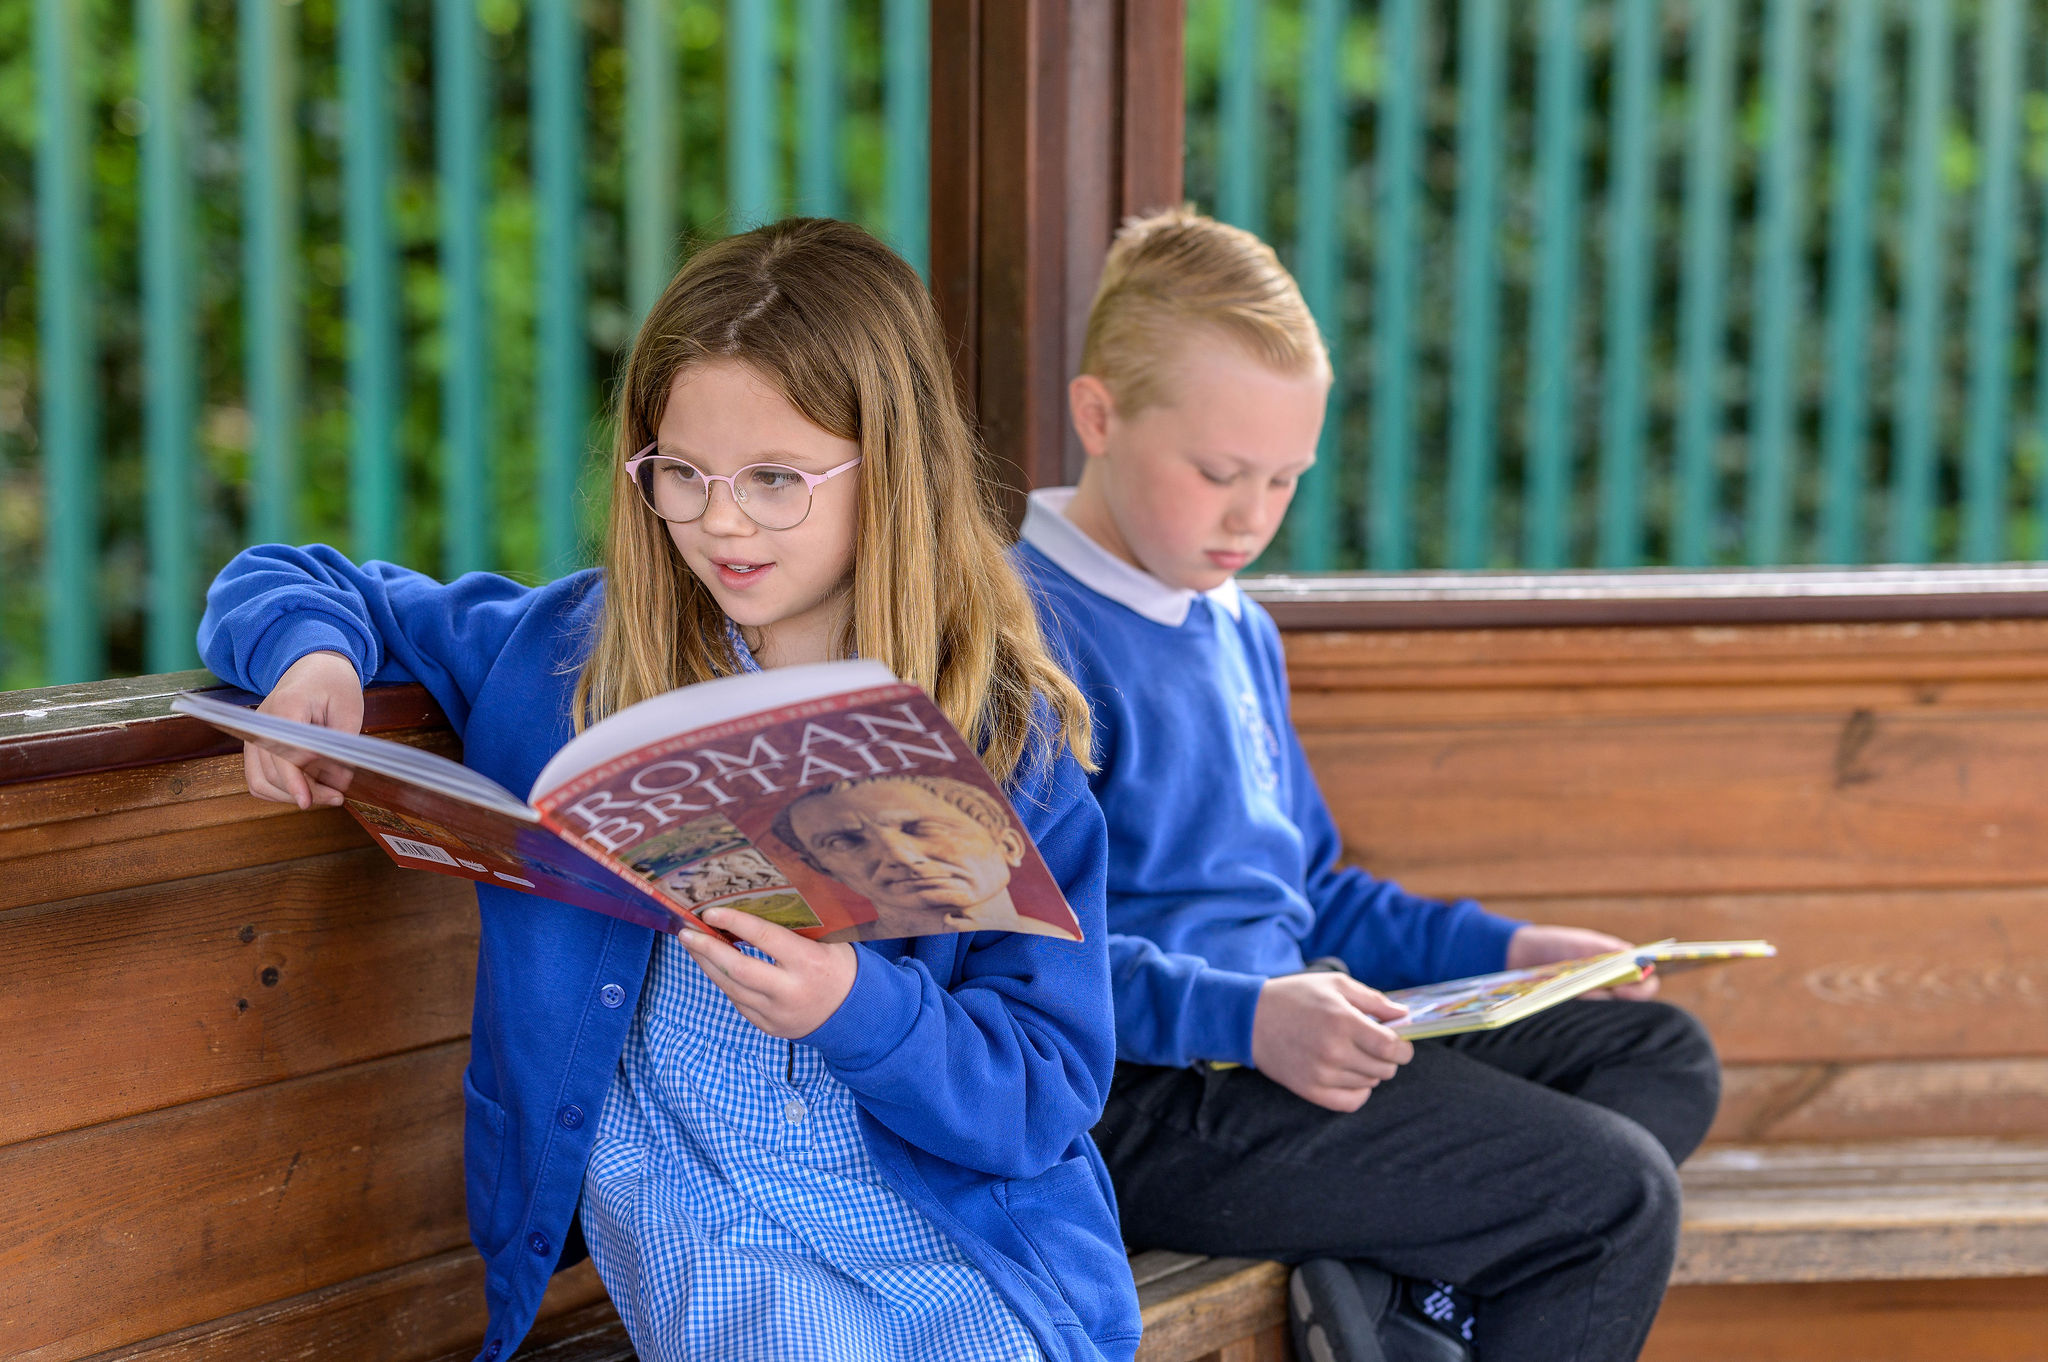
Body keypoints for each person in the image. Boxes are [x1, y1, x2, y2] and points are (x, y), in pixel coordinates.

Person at [198, 218, 1140, 1362]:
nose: (719, 520)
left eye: (776, 479)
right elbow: (290, 575)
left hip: (962, 1250)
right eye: (679, 474)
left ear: (893, 466)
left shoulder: (1001, 732)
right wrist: (311, 664)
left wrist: (856, 1008)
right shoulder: (568, 657)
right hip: (708, 1228)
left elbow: (1043, 1090)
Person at [1015, 207, 1722, 1362]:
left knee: (1654, 1051)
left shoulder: (1233, 624)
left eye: (1285, 480)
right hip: (1151, 1092)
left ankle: (1411, 1302)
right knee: (1611, 1200)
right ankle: (1424, 1291)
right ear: (1098, 415)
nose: (1252, 517)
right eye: (1217, 474)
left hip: (1289, 1029)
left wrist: (1508, 952)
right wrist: (1244, 1013)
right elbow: (1014, 954)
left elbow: (1313, 889)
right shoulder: (1022, 637)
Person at [774, 773, 1076, 940]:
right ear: (823, 868)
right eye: (842, 842)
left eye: (921, 828)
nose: (899, 855)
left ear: (1009, 845)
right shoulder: (828, 944)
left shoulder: (1050, 940)